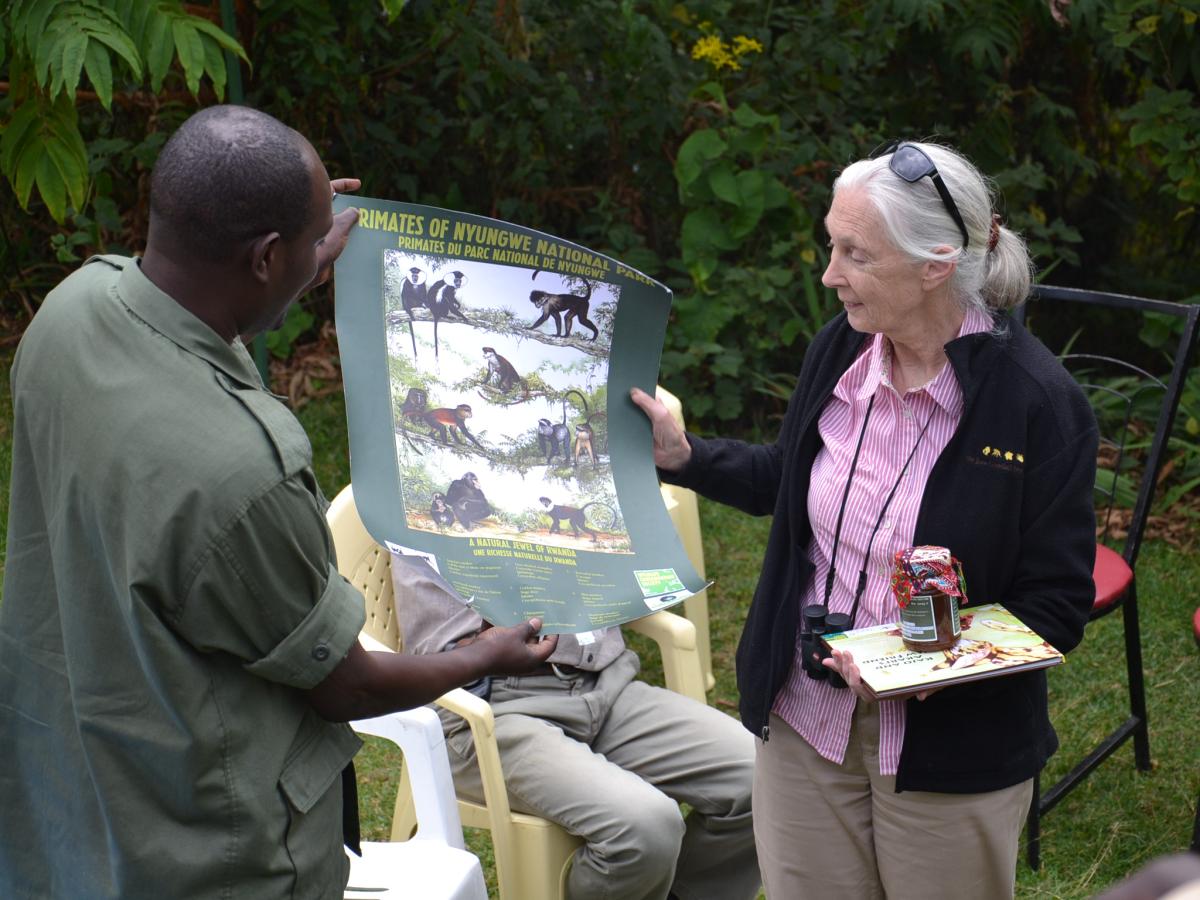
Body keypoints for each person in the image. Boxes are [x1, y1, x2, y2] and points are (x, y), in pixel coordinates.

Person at [0, 105, 556, 900]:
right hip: (204, 844)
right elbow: (346, 685)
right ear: (263, 256)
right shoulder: (244, 472)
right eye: (308, 241)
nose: (317, 255)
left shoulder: (67, 315)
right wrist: (482, 655)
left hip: (71, 789)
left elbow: (188, 347)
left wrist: (299, 256)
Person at [632, 139, 1098, 899]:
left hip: (948, 748)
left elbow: (1055, 607)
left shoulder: (1038, 406)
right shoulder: (844, 350)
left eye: (855, 254)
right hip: (805, 713)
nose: (830, 275)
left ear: (934, 267)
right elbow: (791, 478)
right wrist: (687, 457)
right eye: (831, 245)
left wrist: (915, 666)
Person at [392, 554, 760, 900]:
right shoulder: (421, 498)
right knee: (645, 828)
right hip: (488, 708)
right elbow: (435, 656)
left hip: (603, 683)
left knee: (760, 778)